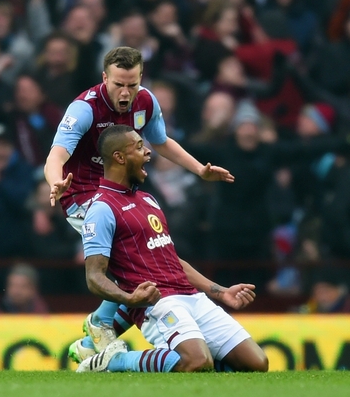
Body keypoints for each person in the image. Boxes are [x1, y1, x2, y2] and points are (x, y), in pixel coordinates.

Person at [43, 46, 234, 363]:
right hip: (83, 197)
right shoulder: (84, 109)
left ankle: (97, 333)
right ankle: (101, 323)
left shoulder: (146, 101)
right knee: (136, 261)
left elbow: (161, 142)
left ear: (140, 79)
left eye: (132, 84)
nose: (125, 92)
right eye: (118, 83)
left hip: (122, 191)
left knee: (150, 257)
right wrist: (54, 182)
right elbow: (56, 156)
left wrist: (199, 169)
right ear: (105, 78)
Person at [76, 124, 267, 373]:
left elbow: (171, 259)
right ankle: (114, 361)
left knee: (256, 364)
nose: (148, 152)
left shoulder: (148, 199)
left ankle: (202, 366)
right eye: (138, 147)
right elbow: (94, 277)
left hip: (192, 297)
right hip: (158, 303)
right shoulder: (101, 208)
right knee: (197, 361)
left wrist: (220, 292)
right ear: (119, 157)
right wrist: (129, 299)